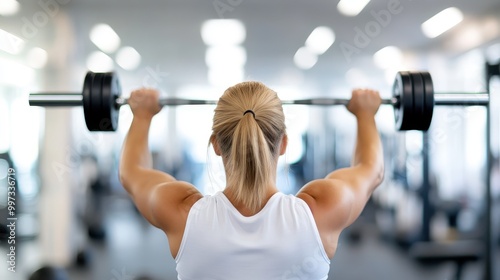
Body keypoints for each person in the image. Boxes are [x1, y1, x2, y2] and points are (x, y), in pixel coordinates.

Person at [119, 81, 384, 279]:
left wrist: (142, 115)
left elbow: (131, 172)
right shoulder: (321, 209)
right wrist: (365, 114)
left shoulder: (181, 211)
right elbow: (371, 170)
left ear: (216, 145)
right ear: (283, 144)